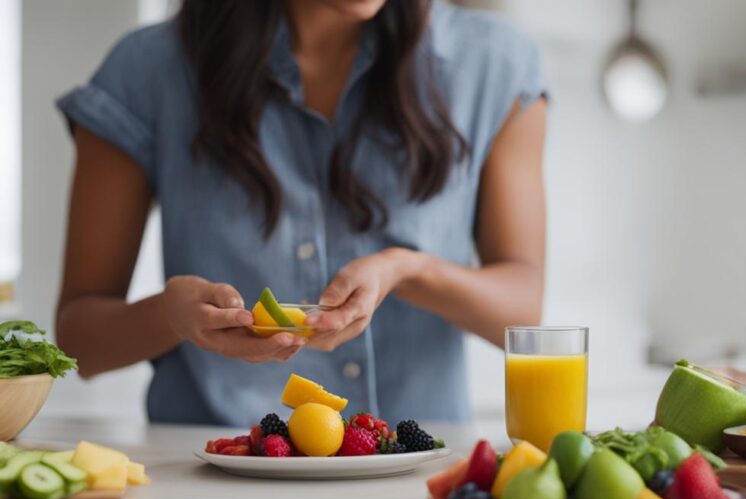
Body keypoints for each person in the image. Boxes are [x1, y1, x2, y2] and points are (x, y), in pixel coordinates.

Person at [54, 0, 547, 426]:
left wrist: (409, 271)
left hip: (417, 482)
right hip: (214, 483)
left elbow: (523, 309)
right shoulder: (143, 72)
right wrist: (170, 314)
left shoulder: (495, 66)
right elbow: (80, 340)